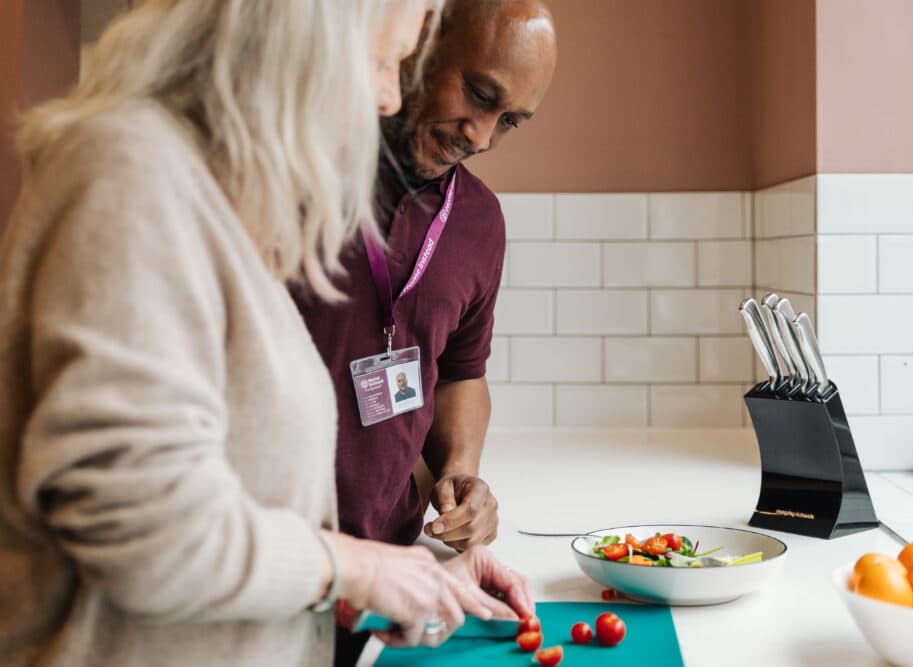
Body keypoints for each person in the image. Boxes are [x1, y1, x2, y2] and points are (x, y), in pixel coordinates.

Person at [0, 2, 533, 666]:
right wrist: (361, 568)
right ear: (300, 40)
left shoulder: (205, 194)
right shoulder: (128, 169)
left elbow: (247, 517)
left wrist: (405, 583)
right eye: (385, 60)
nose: (389, 96)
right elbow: (139, 524)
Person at [295, 0, 558, 552]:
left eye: (509, 120)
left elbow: (462, 372)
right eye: (480, 96)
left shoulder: (479, 221)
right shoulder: (291, 169)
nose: (481, 136)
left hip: (393, 557)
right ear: (421, 40)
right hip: (271, 557)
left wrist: (461, 476)